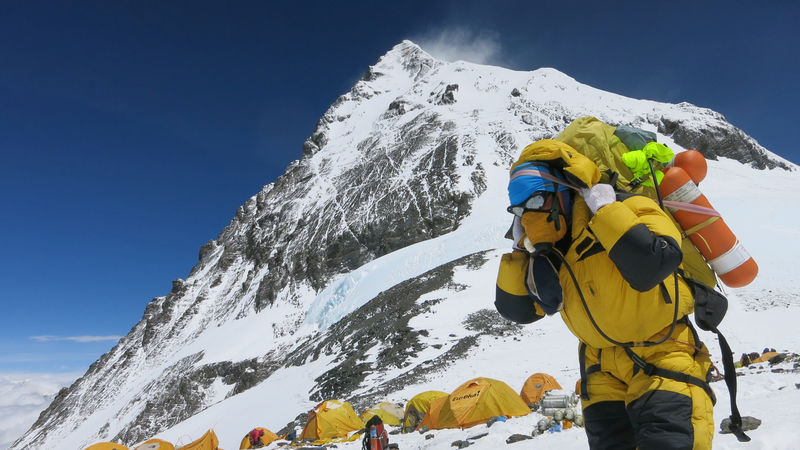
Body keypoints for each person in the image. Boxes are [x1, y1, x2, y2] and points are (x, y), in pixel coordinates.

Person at [496, 136, 722, 449]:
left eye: (535, 200)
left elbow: (655, 262)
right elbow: (517, 310)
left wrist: (605, 209)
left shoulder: (632, 206)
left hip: (663, 354)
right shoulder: (548, 253)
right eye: (519, 207)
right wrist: (518, 248)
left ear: (564, 191)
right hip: (599, 369)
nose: (528, 213)